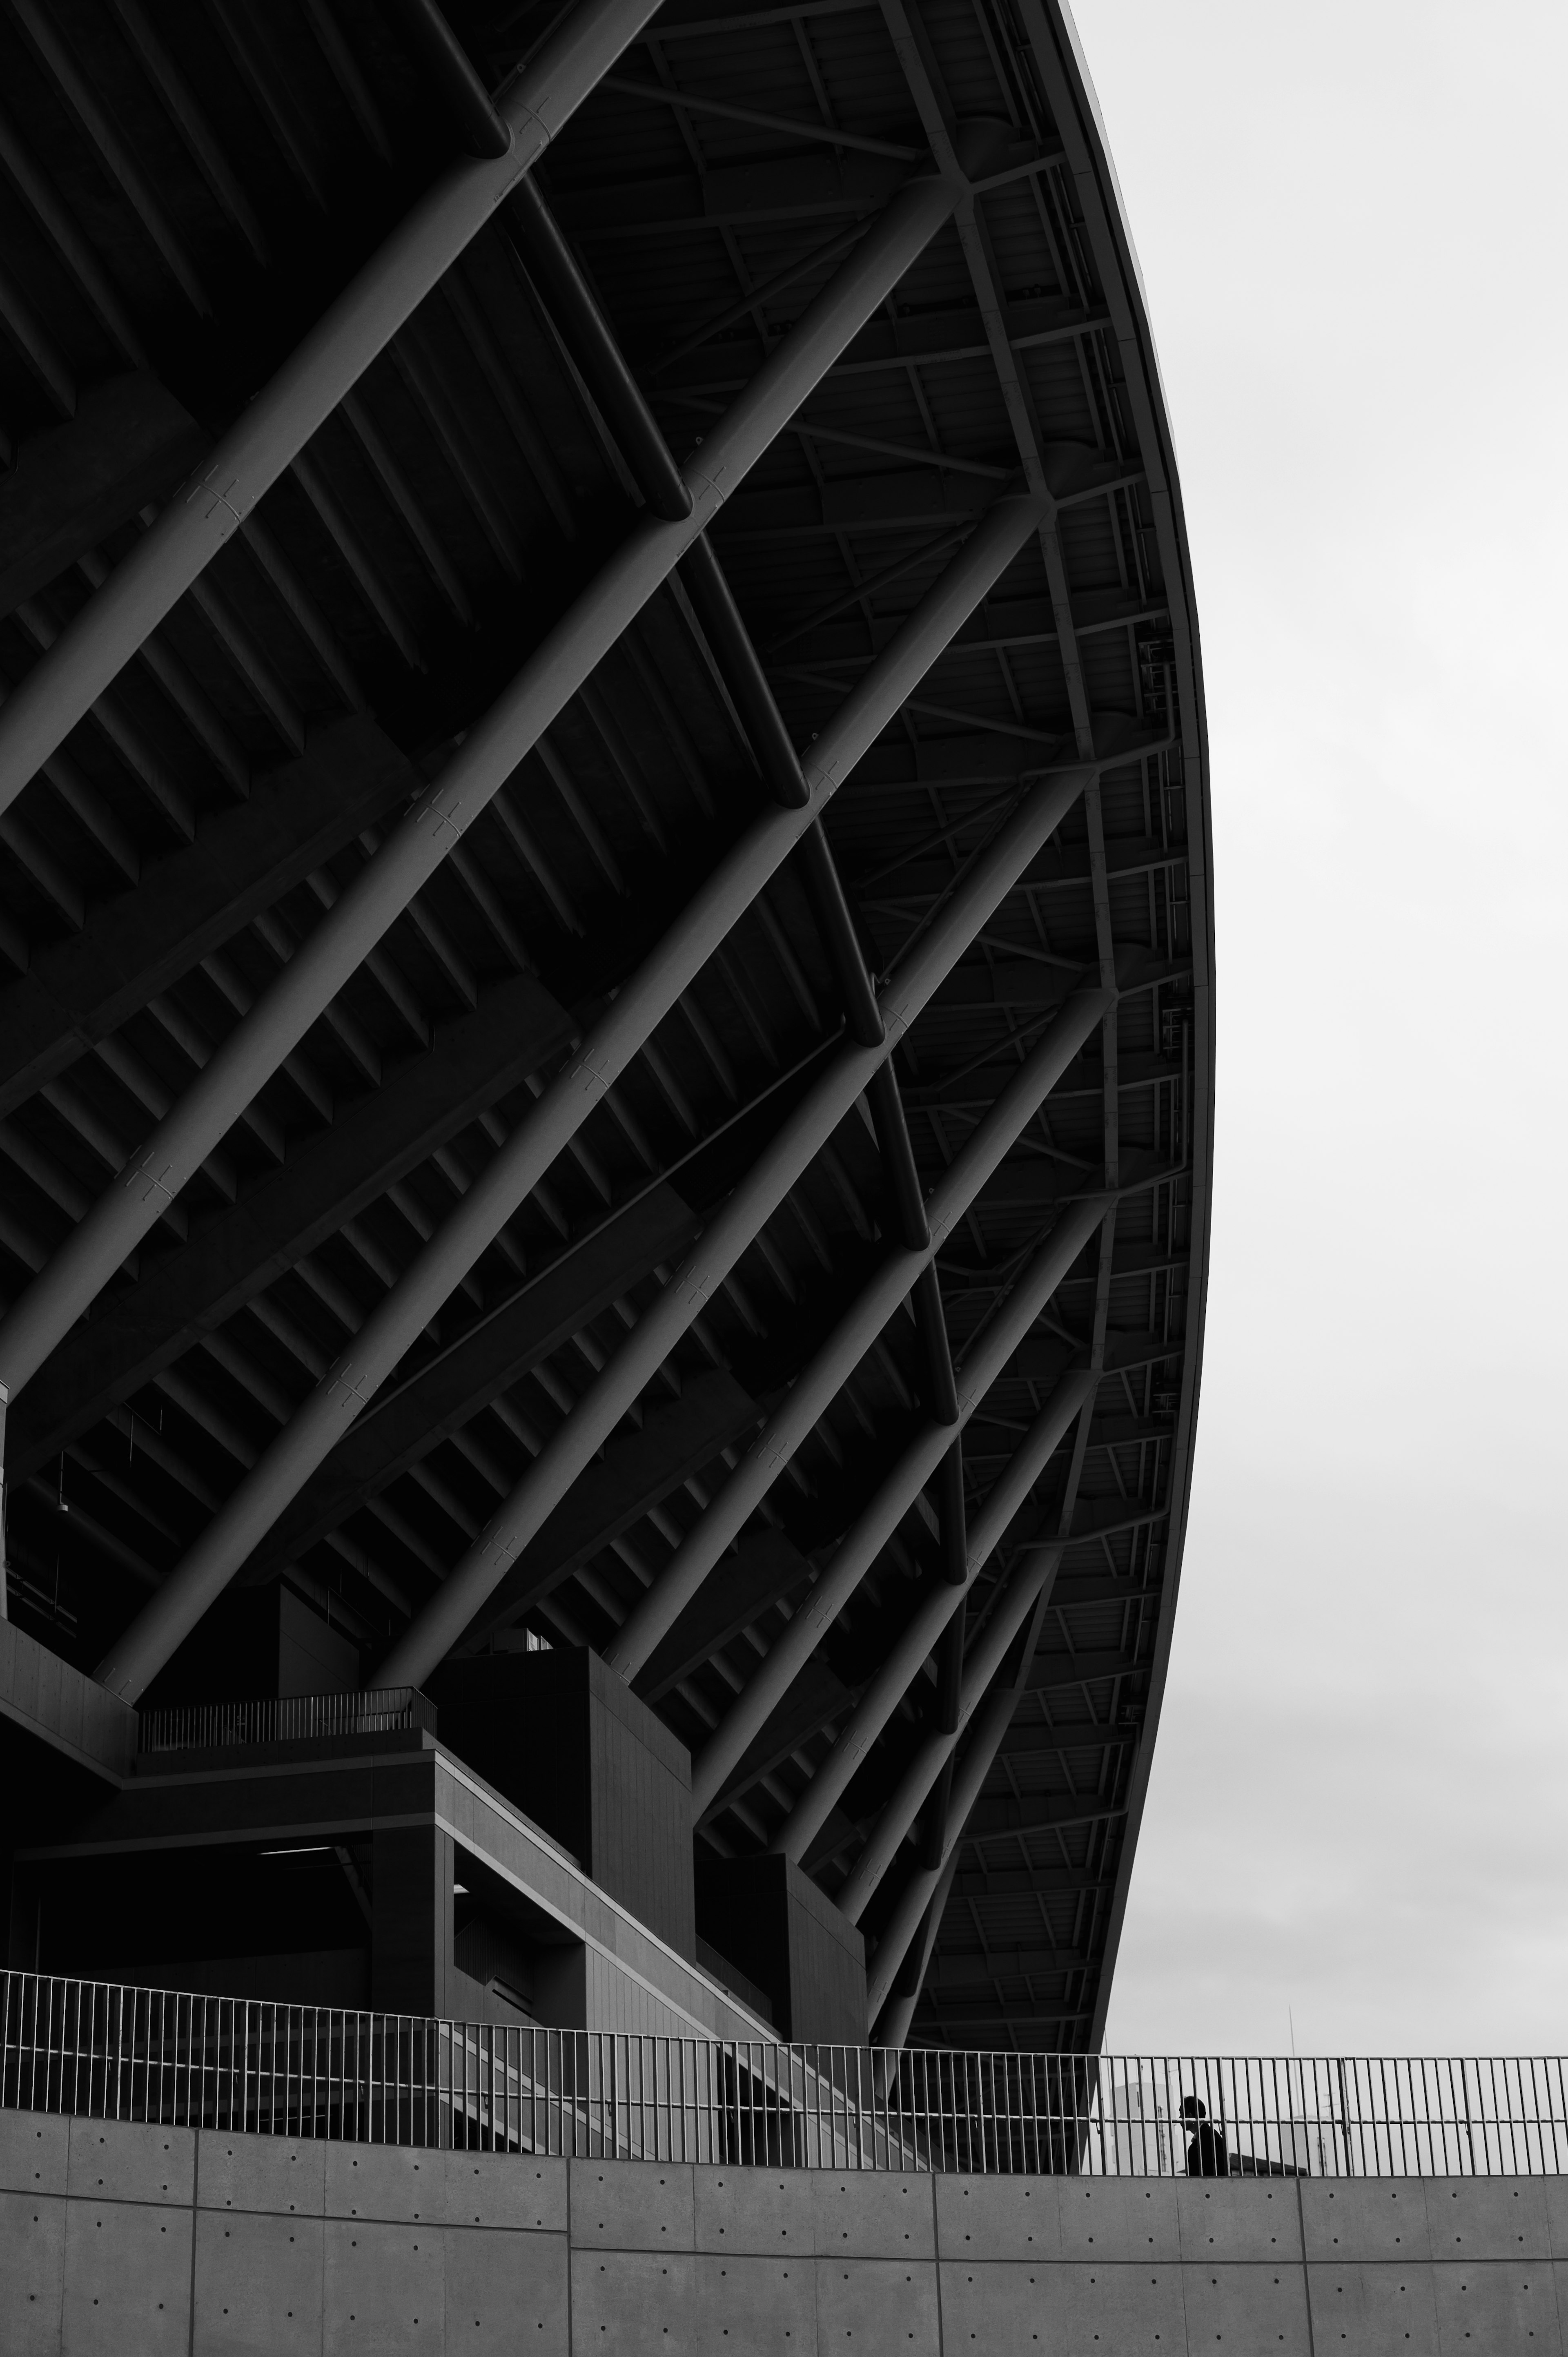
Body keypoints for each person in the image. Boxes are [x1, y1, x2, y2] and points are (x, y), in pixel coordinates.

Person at [1181, 2094, 1229, 2178]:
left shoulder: (1207, 2137)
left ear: (1189, 2116)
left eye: (1181, 2114)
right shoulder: (1207, 2135)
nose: (1179, 2119)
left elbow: (1220, 2170)